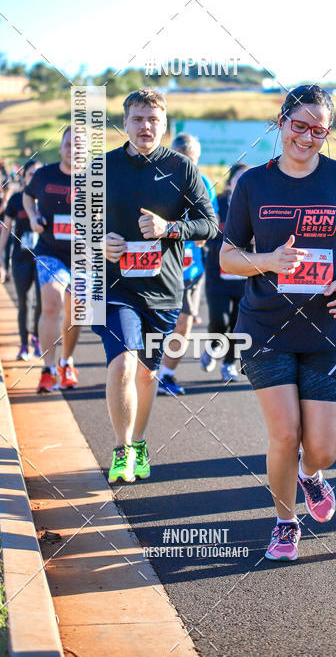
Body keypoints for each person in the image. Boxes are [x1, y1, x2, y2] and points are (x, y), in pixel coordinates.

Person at [221, 85, 336, 561]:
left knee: (323, 449)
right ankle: (285, 522)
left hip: (325, 326)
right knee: (285, 435)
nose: (307, 138)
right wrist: (268, 261)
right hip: (265, 326)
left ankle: (311, 474)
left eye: (319, 130)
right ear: (281, 121)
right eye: (299, 125)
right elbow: (227, 257)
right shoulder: (253, 183)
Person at [92, 90, 218, 484]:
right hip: (115, 287)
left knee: (147, 375)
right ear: (125, 123)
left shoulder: (182, 168)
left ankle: (139, 442)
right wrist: (100, 241)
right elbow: (81, 224)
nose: (145, 126)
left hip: (163, 289)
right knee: (123, 362)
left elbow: (210, 225)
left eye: (153, 120)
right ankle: (121, 450)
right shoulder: (102, 167)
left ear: (164, 125)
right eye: (138, 119)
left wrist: (170, 228)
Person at [157, 133, 218, 396]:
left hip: (190, 269)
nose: (188, 166)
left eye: (192, 160)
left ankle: (165, 374)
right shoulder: (157, 180)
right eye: (182, 159)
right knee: (155, 323)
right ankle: (145, 372)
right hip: (157, 266)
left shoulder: (204, 183)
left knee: (184, 323)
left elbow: (210, 222)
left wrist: (203, 234)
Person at [23, 128, 81, 392]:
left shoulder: (96, 179)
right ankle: (47, 369)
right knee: (51, 303)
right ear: (61, 147)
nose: (73, 150)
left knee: (76, 310)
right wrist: (33, 218)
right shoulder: (44, 175)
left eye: (78, 146)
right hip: (50, 251)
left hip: (83, 255)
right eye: (68, 144)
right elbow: (27, 195)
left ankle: (66, 362)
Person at [201, 163, 248, 382]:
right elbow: (207, 232)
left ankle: (229, 363)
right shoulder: (217, 205)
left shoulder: (257, 205)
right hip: (217, 275)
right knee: (219, 320)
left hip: (245, 277)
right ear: (229, 184)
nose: (242, 183)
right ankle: (213, 345)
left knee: (239, 324)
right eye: (238, 179)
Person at [0, 160, 43, 360]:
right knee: (24, 303)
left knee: (42, 303)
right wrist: (1, 261)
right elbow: (5, 230)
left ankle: (36, 337)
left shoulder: (46, 198)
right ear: (24, 176)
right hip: (20, 259)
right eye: (31, 174)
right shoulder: (16, 200)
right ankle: (24, 345)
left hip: (44, 259)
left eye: (38, 173)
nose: (34, 177)